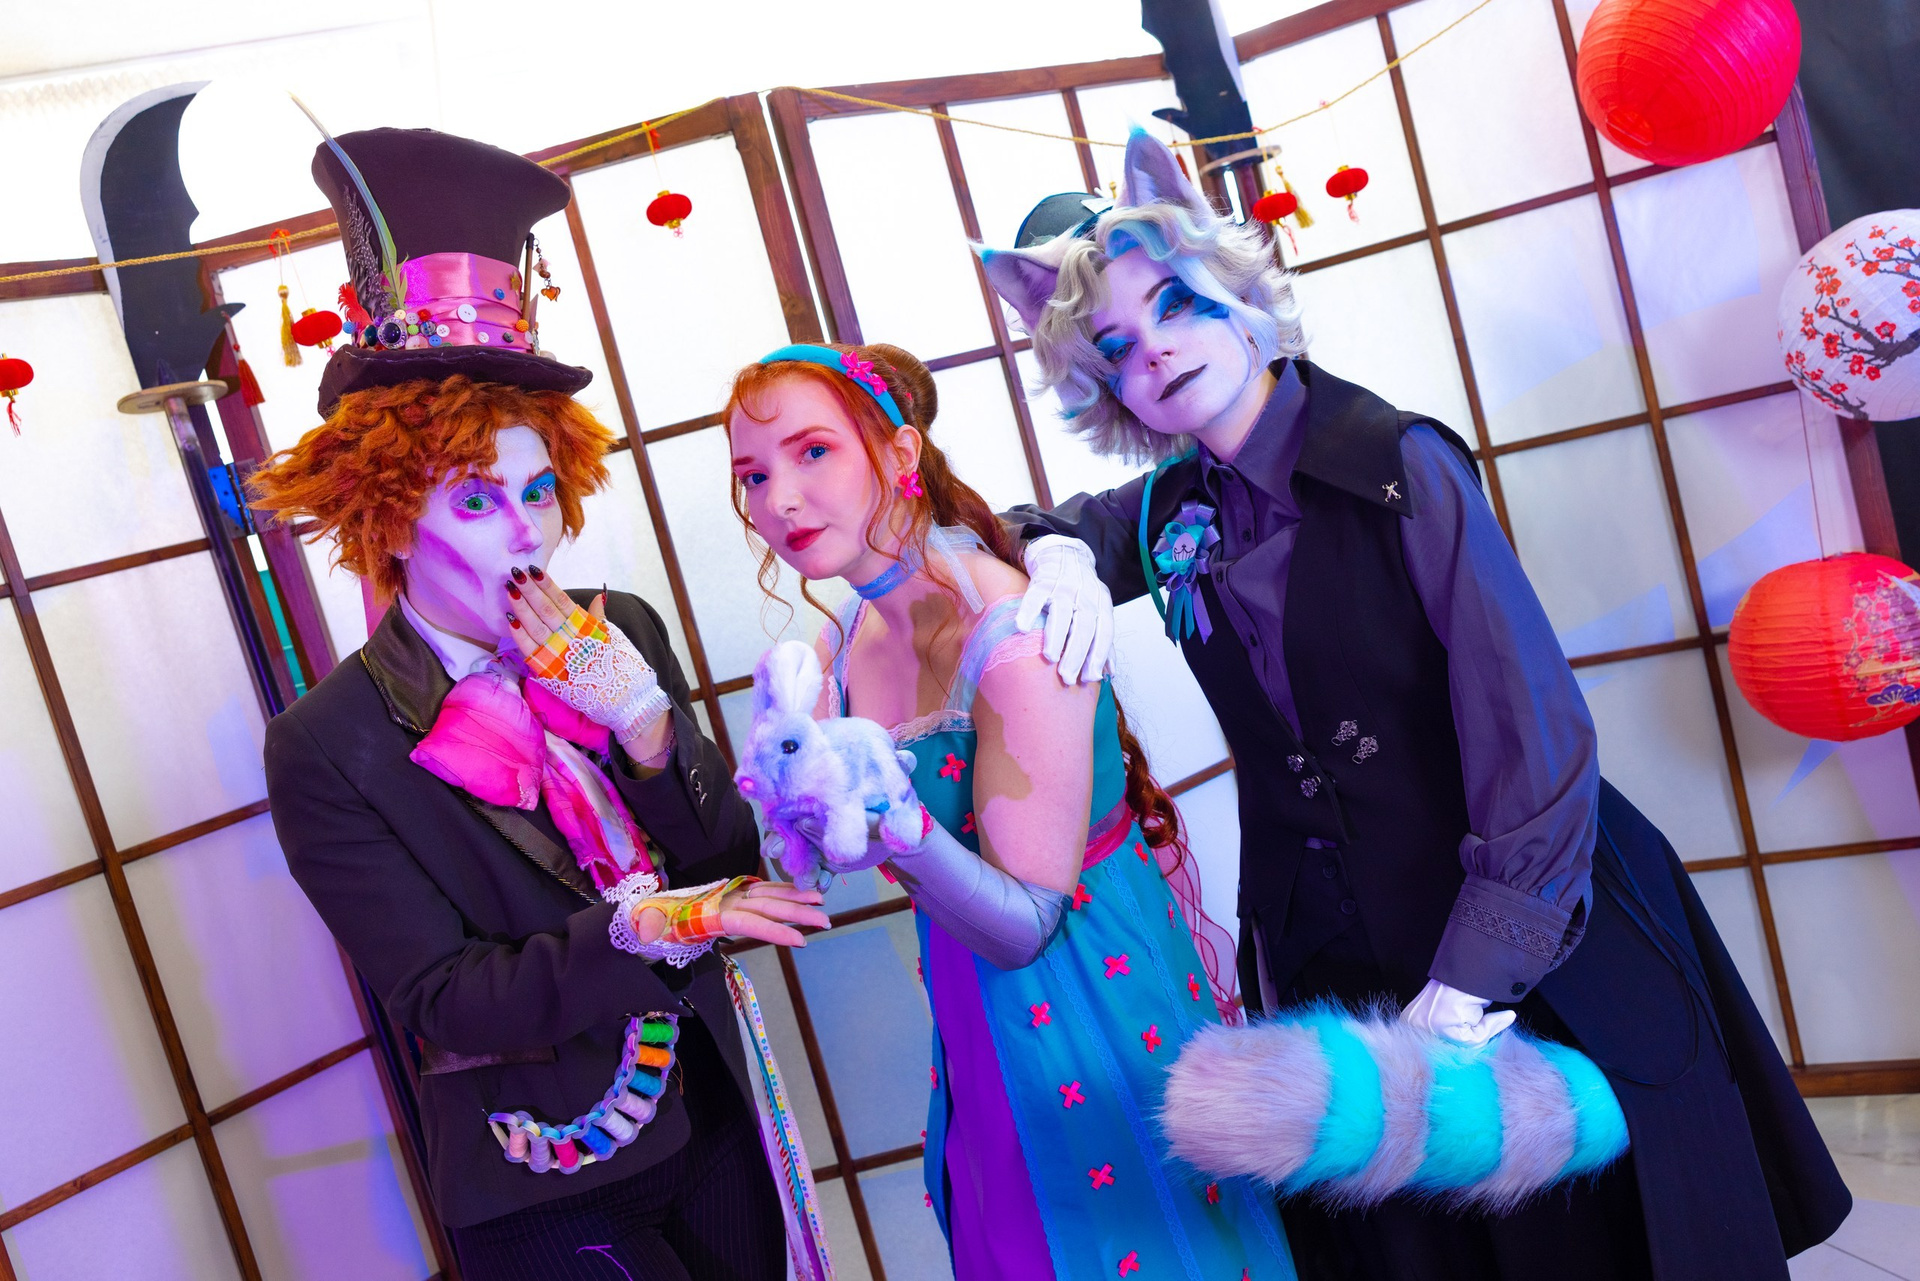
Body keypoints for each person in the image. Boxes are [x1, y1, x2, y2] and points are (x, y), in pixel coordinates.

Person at [980, 129, 1851, 1281]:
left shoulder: (1396, 462)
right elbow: (1022, 529)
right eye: (1117, 347)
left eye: (1177, 304)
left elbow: (1536, 732)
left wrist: (1479, 972)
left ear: (1237, 292)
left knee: (1588, 1241)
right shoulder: (1166, 511)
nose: (1159, 351)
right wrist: (1054, 552)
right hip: (1338, 950)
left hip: (1521, 919)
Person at [251, 126, 829, 1281]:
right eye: (476, 502)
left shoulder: (621, 630)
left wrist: (647, 727)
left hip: (715, 1113)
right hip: (543, 1177)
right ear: (388, 517)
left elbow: (731, 862)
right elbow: (443, 1000)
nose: (528, 534)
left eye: (540, 491)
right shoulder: (328, 743)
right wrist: (641, 928)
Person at [723, 339, 1295, 1281]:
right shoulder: (842, 637)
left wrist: (895, 818)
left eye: (813, 451)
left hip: (1091, 994)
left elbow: (1027, 924)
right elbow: (815, 860)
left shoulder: (1015, 632)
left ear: (899, 453)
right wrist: (793, 799)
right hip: (968, 1000)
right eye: (753, 474)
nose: (778, 498)